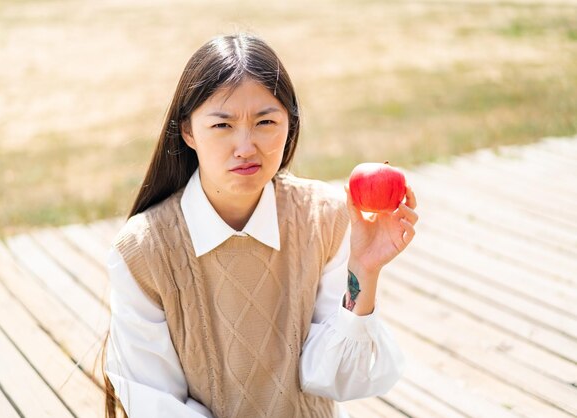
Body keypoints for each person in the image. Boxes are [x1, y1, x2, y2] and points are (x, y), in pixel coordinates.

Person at [100, 32, 418, 418]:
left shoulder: (326, 217)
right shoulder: (143, 250)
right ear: (188, 131)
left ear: (289, 124)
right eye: (223, 125)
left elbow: (335, 378)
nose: (246, 146)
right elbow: (156, 402)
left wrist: (363, 270)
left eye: (266, 121)